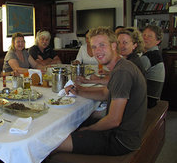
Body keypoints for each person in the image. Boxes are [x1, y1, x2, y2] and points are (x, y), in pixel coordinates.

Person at [55, 27, 147, 156]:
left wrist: (88, 130)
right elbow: (105, 93)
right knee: (71, 124)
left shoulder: (122, 72)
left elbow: (114, 120)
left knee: (53, 144)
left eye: (102, 45)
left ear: (114, 46)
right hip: (122, 132)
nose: (97, 51)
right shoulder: (121, 66)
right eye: (94, 47)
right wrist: (79, 91)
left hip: (120, 140)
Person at [140, 25, 165, 108]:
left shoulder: (149, 57)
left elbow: (131, 77)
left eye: (149, 36)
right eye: (144, 35)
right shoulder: (155, 53)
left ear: (158, 41)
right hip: (153, 98)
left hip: (148, 101)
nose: (145, 38)